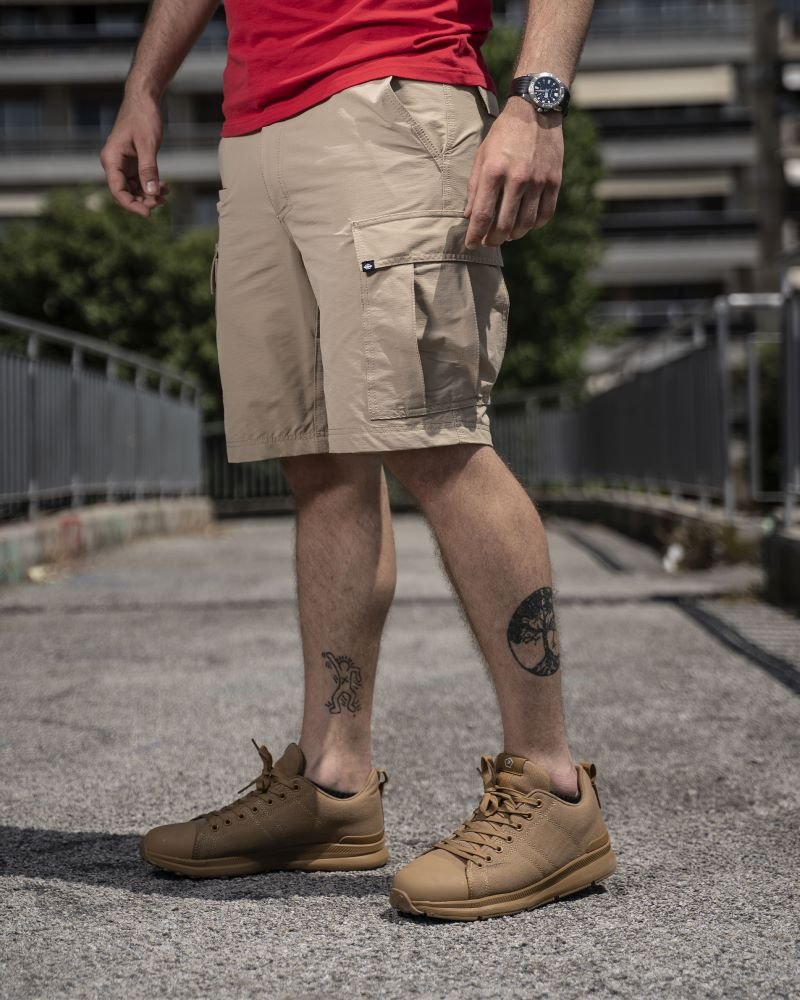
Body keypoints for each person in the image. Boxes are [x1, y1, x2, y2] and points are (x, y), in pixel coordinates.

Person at [101, 0, 615, 920]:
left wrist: (537, 101)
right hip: (254, 124)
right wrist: (144, 86)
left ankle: (552, 789)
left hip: (393, 91)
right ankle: (333, 786)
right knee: (318, 460)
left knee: (433, 439)